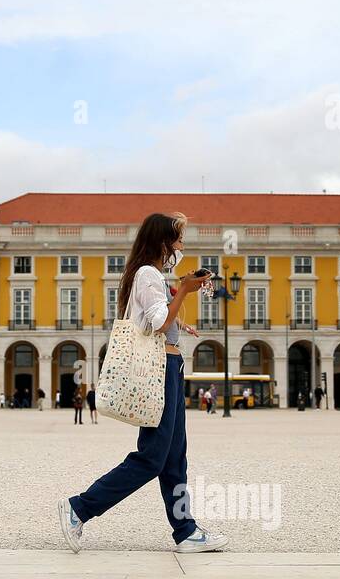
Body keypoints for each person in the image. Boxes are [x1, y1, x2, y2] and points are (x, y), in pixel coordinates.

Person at [60, 211, 228, 555]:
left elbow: (162, 318)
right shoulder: (148, 274)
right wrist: (183, 290)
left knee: (174, 457)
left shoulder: (150, 275)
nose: (182, 246)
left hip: (171, 365)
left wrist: (180, 314)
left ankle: (186, 530)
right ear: (164, 241)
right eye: (179, 239)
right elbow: (155, 324)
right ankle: (79, 508)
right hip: (161, 368)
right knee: (152, 457)